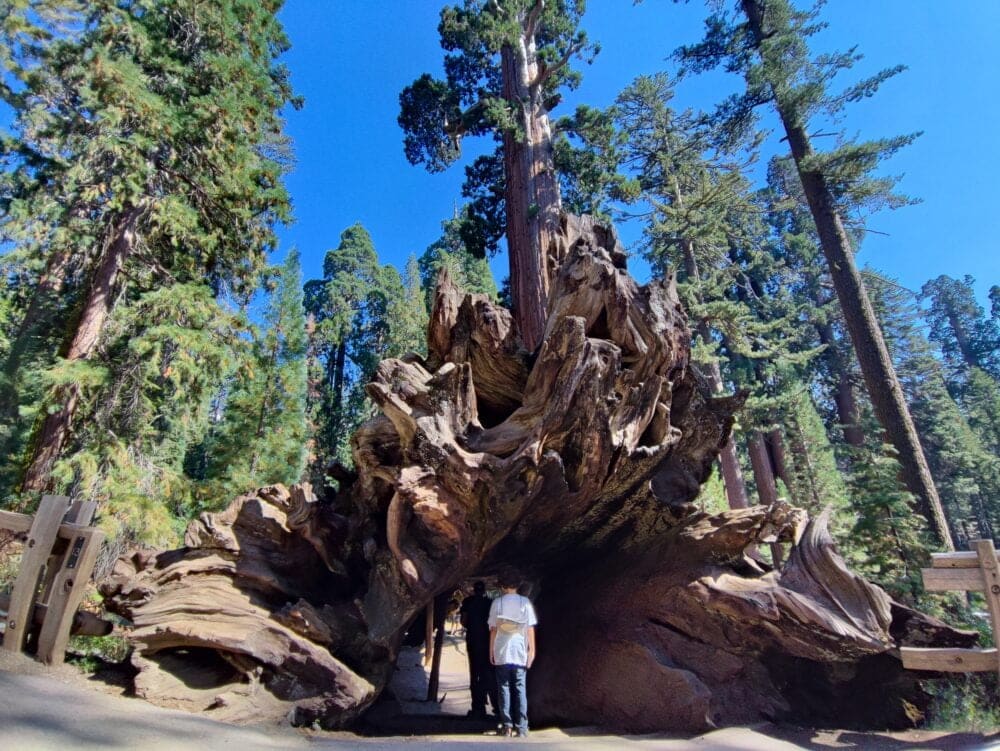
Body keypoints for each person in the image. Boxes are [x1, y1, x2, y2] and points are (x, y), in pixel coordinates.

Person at [488, 575, 537, 738]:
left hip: (502, 652)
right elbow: (530, 628)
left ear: (502, 586)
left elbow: (493, 629)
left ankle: (507, 726)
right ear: (518, 585)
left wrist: (491, 651)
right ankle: (522, 727)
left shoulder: (498, 603)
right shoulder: (525, 603)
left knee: (504, 688)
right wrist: (532, 651)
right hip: (519, 652)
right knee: (519, 688)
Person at [459, 581, 496, 719]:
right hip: (488, 643)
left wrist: (472, 626)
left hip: (473, 641)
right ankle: (496, 706)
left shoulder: (468, 602)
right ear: (484, 590)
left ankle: (478, 707)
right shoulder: (490, 603)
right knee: (488, 673)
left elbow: (463, 620)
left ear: (474, 590)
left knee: (474, 674)